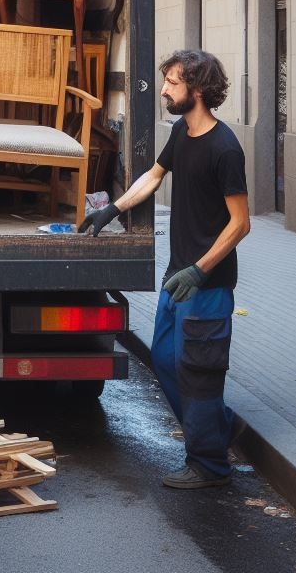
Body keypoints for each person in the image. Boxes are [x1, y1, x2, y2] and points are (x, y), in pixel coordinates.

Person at [79, 49, 250, 489]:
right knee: (164, 359)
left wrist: (200, 270)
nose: (164, 91)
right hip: (179, 276)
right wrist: (112, 210)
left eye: (172, 83)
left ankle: (210, 465)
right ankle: (220, 426)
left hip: (206, 284)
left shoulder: (225, 148)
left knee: (197, 373)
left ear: (197, 89)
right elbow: (154, 175)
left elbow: (240, 223)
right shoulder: (181, 133)